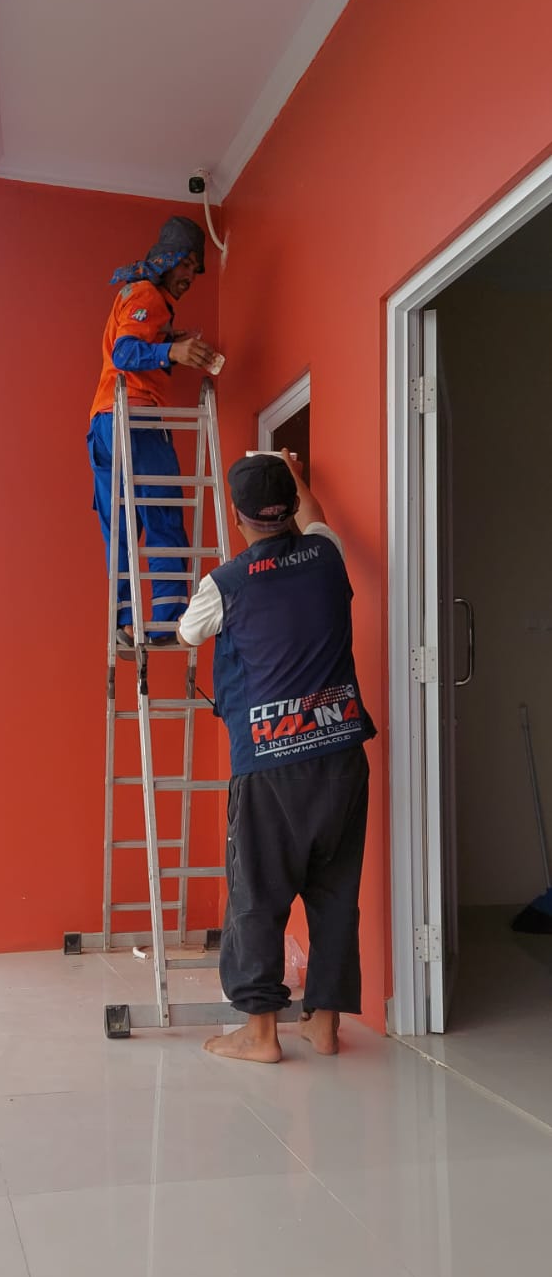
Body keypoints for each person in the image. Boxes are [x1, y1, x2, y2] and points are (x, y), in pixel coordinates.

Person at [178, 449, 376, 1063]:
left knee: (258, 895)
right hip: (342, 755)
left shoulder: (224, 583)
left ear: (238, 519)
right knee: (335, 893)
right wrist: (295, 473)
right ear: (289, 508)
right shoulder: (326, 555)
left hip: (270, 768)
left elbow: (188, 634)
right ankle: (324, 1024)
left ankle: (261, 1033)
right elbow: (315, 516)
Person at [87, 216, 218, 651]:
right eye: (187, 265)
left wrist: (168, 345)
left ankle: (125, 623)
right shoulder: (149, 295)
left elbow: (127, 344)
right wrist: (171, 349)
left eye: (195, 271)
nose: (189, 277)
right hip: (136, 419)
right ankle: (167, 620)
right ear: (170, 259)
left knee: (121, 525)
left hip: (105, 423)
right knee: (162, 514)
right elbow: (126, 352)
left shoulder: (134, 294)